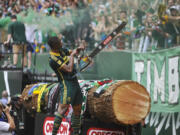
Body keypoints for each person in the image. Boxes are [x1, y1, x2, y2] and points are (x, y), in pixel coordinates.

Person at [48, 36, 84, 135]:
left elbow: (72, 51)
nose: (62, 43)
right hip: (66, 84)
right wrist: (72, 56)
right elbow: (69, 69)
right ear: (55, 45)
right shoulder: (53, 59)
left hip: (75, 82)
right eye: (60, 42)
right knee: (62, 108)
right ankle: (54, 133)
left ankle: (75, 133)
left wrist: (79, 49)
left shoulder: (61, 50)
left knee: (77, 109)